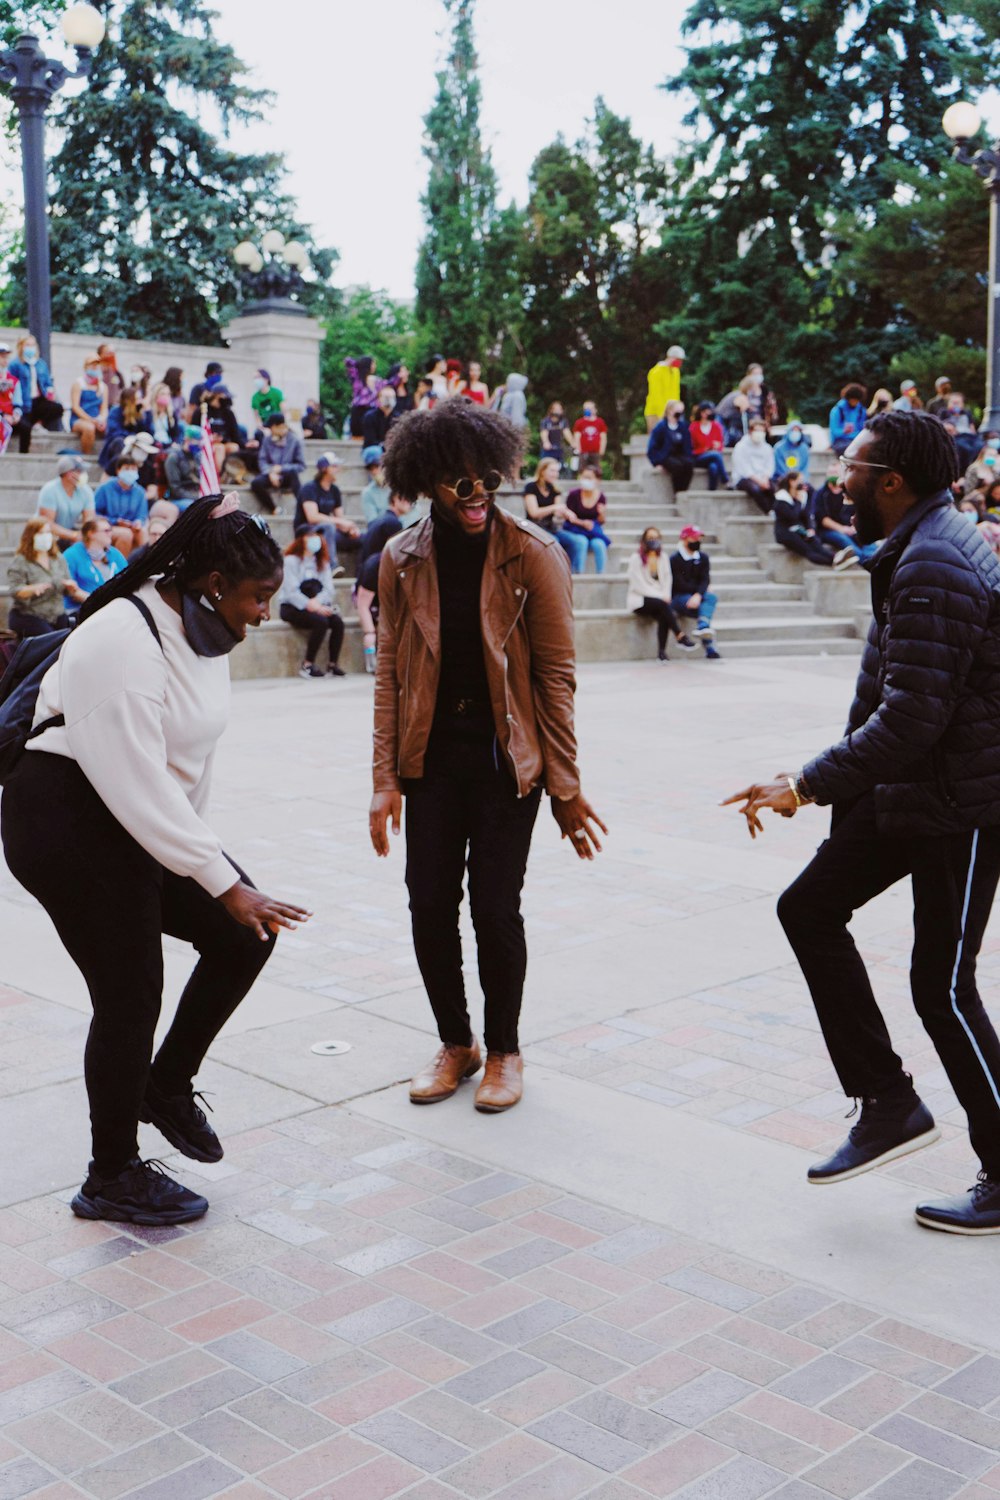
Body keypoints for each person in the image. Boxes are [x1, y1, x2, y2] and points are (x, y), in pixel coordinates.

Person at [724, 411, 1000, 1234]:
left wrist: (805, 785)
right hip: (909, 793)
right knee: (807, 907)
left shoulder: (936, 563)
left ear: (891, 480)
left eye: (849, 464)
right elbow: (886, 692)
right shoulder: (917, 545)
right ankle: (887, 1102)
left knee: (942, 986)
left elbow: (912, 716)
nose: (835, 478)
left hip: (963, 803)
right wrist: (831, 790)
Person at [1, 497, 311, 1225]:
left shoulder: (202, 634)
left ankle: (164, 1085)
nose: (264, 612)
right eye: (257, 598)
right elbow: (131, 779)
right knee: (131, 989)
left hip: (130, 813)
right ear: (211, 583)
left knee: (243, 934)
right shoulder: (121, 639)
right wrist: (221, 880)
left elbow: (185, 762)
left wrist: (208, 869)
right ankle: (110, 1176)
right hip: (63, 817)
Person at [370, 398, 606, 1114]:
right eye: (459, 482)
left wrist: (565, 787)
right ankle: (457, 1043)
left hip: (509, 762)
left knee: (496, 909)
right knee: (428, 906)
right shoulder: (401, 558)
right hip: (431, 759)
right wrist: (384, 780)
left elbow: (555, 679)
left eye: (487, 480)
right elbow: (389, 672)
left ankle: (504, 1050)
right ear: (429, 482)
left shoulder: (533, 553)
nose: (476, 497)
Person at [279, 526, 345, 679]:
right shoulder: (290, 561)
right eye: (311, 536)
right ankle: (307, 664)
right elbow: (291, 592)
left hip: (317, 604)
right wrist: (314, 607)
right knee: (320, 622)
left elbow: (329, 589)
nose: (315, 539)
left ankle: (333, 664)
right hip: (292, 606)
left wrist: (318, 604)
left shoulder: (321, 562)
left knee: (337, 622)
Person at [626, 527, 698, 660]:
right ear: (644, 540)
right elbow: (638, 585)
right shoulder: (636, 558)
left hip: (660, 600)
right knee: (664, 606)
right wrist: (661, 596)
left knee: (663, 613)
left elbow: (667, 579)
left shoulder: (663, 557)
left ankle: (662, 653)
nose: (653, 541)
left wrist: (665, 594)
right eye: (650, 538)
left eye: (656, 537)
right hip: (641, 599)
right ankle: (680, 635)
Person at [6, 517, 84, 636]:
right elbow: (14, 590)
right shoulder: (21, 561)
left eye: (48, 533)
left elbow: (68, 586)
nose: (45, 536)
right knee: (51, 641)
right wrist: (31, 589)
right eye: (41, 533)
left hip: (56, 613)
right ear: (30, 536)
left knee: (71, 638)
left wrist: (71, 588)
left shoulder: (58, 558)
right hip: (29, 614)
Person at [294, 453, 360, 571]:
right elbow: (312, 517)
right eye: (334, 466)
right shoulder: (309, 488)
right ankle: (331, 566)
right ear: (324, 469)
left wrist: (350, 529)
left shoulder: (334, 490)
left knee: (361, 537)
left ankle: (362, 575)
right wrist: (340, 522)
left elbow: (340, 519)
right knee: (328, 527)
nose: (338, 469)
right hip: (307, 531)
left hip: (326, 533)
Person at [811, 465, 879, 569]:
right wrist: (842, 529)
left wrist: (854, 527)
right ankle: (866, 562)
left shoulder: (849, 491)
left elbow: (858, 511)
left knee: (868, 538)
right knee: (844, 540)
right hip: (829, 530)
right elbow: (823, 519)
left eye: (835, 472)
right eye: (831, 472)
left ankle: (874, 560)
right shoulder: (821, 493)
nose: (833, 475)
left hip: (850, 527)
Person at [670, 525, 721, 658]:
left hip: (697, 597)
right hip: (679, 597)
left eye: (699, 538)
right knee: (705, 609)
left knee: (711, 598)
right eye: (694, 538)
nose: (697, 540)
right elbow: (678, 584)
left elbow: (705, 580)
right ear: (685, 539)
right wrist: (698, 592)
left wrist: (698, 595)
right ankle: (709, 645)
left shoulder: (703, 557)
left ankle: (703, 627)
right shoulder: (674, 559)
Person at [10, 334, 63, 454]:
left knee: (57, 408)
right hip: (23, 403)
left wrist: (50, 391)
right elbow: (11, 384)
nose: (30, 348)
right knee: (25, 428)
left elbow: (48, 383)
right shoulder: (15, 365)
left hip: (38, 400)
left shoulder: (41, 364)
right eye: (27, 345)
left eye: (32, 345)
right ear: (21, 347)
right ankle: (23, 454)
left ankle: (38, 424)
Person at [522, 459, 579, 570]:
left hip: (550, 527)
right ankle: (553, 574)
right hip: (534, 527)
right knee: (554, 542)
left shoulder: (555, 489)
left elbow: (558, 512)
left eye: (557, 471)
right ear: (542, 471)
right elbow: (534, 513)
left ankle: (571, 573)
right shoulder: (531, 487)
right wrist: (554, 507)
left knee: (577, 542)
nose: (555, 474)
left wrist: (567, 513)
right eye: (552, 471)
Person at [94, 453, 149, 557]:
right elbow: (95, 513)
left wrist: (138, 522)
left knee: (143, 532)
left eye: (133, 469)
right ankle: (121, 570)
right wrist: (115, 521)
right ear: (118, 470)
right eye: (127, 468)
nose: (130, 472)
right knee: (126, 534)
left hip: (132, 526)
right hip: (110, 525)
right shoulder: (105, 488)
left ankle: (148, 566)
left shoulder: (140, 492)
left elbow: (142, 514)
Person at [249, 414, 305, 516]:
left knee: (293, 475)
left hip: (288, 475)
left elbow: (301, 465)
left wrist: (281, 469)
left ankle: (304, 508)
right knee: (256, 483)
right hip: (270, 474)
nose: (270, 430)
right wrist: (270, 472)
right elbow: (262, 460)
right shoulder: (267, 440)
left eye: (271, 427)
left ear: (276, 426)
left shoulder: (294, 440)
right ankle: (274, 509)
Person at [63, 517, 128, 603]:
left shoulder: (114, 553)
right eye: (106, 531)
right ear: (91, 534)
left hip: (113, 605)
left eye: (111, 530)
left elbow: (127, 578)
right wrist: (98, 602)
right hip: (82, 609)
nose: (110, 534)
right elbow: (72, 591)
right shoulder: (71, 554)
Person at [562, 463, 612, 574]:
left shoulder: (601, 496)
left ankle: (602, 576)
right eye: (584, 477)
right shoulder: (574, 494)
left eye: (589, 478)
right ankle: (578, 573)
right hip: (575, 528)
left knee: (599, 544)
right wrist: (582, 523)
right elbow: (568, 516)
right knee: (582, 542)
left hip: (593, 531)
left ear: (597, 480)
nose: (585, 480)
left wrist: (602, 514)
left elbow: (601, 521)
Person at [37, 456, 95, 550]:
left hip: (69, 531)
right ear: (69, 473)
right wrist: (74, 535)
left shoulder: (86, 491)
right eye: (80, 471)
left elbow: (89, 519)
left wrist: (83, 535)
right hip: (45, 531)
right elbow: (47, 523)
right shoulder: (50, 490)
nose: (84, 474)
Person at [774, 472, 830, 566]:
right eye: (800, 481)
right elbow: (792, 516)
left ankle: (836, 558)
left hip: (798, 529)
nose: (803, 484)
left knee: (815, 542)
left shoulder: (801, 495)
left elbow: (805, 514)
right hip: (785, 532)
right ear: (792, 482)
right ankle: (831, 562)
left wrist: (810, 528)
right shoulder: (781, 499)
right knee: (808, 550)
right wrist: (798, 502)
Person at [732, 418, 778, 512]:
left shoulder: (767, 448)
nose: (759, 433)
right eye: (757, 430)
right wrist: (759, 481)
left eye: (762, 431)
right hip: (744, 478)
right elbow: (743, 469)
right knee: (755, 489)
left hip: (763, 478)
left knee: (774, 489)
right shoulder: (741, 447)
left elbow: (769, 466)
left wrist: (765, 478)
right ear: (750, 431)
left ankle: (776, 511)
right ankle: (768, 511)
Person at [647, 401, 694, 493]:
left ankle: (683, 491)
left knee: (688, 465)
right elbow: (652, 447)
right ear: (669, 411)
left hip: (680, 455)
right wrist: (656, 463)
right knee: (677, 467)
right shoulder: (661, 427)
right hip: (666, 456)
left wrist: (689, 457)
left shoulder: (683, 426)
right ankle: (677, 491)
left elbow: (687, 445)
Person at [67, 356, 109, 458]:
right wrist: (90, 420)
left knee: (110, 429)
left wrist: (101, 419)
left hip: (96, 418)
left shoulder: (103, 387)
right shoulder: (78, 384)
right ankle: (86, 456)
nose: (95, 368)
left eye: (97, 365)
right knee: (89, 428)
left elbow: (104, 408)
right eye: (92, 365)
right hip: (80, 419)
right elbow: (75, 407)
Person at [359, 492, 415, 568]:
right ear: (396, 499)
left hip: (367, 569)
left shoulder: (381, 519)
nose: (410, 504)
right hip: (375, 571)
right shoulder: (393, 523)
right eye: (407, 500)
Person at [99, 385, 147, 474]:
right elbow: (114, 432)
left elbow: (146, 431)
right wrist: (131, 437)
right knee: (120, 442)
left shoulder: (139, 412)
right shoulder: (116, 411)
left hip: (135, 443)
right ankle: (119, 472)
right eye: (138, 398)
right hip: (116, 444)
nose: (140, 401)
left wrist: (145, 414)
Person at [644, 346, 685, 432]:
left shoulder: (676, 372)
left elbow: (676, 392)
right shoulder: (656, 372)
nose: (680, 362)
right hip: (655, 413)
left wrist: (677, 410)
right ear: (671, 357)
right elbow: (656, 395)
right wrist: (663, 414)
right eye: (679, 359)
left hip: (672, 412)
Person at [128, 501, 180, 567]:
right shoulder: (138, 555)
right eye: (154, 534)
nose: (157, 538)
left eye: (161, 535)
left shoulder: (176, 554)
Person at [689, 404, 728, 490]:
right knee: (716, 455)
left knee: (713, 467)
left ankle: (712, 490)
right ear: (702, 413)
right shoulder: (694, 427)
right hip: (698, 457)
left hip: (713, 456)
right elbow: (691, 447)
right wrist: (704, 449)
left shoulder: (716, 426)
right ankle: (725, 480)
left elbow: (720, 444)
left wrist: (717, 446)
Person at [164, 427, 202, 508]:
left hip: (196, 494)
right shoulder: (174, 458)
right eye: (197, 440)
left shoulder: (197, 456)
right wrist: (196, 497)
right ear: (187, 439)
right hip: (179, 498)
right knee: (195, 507)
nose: (199, 444)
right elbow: (175, 488)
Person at [829, 384, 868, 455]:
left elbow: (861, 429)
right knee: (851, 450)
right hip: (840, 441)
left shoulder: (861, 411)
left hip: (856, 440)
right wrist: (844, 431)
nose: (855, 403)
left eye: (857, 400)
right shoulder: (837, 410)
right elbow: (834, 432)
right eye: (853, 400)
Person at [572, 400, 608, 465]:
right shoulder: (579, 422)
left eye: (590, 408)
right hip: (583, 452)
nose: (588, 411)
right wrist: (579, 450)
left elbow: (603, 438)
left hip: (596, 453)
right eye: (586, 409)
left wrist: (602, 450)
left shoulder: (600, 422)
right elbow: (577, 438)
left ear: (595, 410)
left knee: (596, 471)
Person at [539, 403, 571, 472]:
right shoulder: (546, 421)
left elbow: (567, 433)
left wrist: (573, 443)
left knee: (561, 467)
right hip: (548, 449)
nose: (558, 411)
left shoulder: (563, 421)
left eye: (559, 409)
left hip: (559, 448)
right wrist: (546, 442)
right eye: (556, 409)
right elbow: (544, 432)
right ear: (551, 410)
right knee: (545, 467)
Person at [0, 344, 24, 438]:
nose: (5, 360)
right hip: (2, 416)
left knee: (25, 427)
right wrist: (3, 415)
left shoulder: (14, 380)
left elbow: (17, 403)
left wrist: (16, 414)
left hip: (9, 416)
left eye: (7, 357)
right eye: (2, 357)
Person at [361, 448, 391, 523]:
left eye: (377, 466)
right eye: (371, 468)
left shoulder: (398, 487)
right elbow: (373, 522)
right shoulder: (368, 492)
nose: (374, 471)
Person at [95, 342, 124, 409]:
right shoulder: (97, 368)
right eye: (106, 351)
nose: (109, 354)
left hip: (114, 404)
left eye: (110, 352)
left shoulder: (114, 370)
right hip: (101, 404)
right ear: (100, 354)